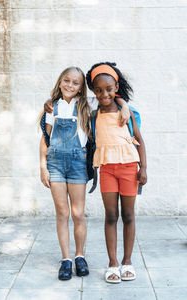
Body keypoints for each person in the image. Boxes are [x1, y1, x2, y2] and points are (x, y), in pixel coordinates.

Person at [40, 66, 130, 281]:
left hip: (78, 164)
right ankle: (66, 259)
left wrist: (125, 106)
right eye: (66, 81)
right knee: (62, 213)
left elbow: (112, 97)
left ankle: (80, 256)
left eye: (76, 83)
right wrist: (42, 166)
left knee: (78, 214)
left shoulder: (87, 104)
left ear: (81, 88)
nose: (70, 85)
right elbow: (45, 138)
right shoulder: (52, 107)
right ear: (60, 81)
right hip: (55, 164)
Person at [86, 62, 147, 283]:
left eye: (109, 89)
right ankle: (112, 264)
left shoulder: (127, 113)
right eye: (99, 90)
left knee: (128, 216)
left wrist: (144, 169)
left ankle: (127, 262)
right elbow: (71, 105)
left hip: (130, 168)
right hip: (107, 170)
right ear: (93, 90)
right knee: (111, 216)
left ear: (116, 87)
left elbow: (140, 141)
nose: (104, 94)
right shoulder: (93, 116)